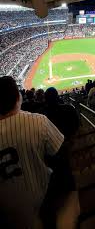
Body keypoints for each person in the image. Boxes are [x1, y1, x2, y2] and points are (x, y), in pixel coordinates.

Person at [0, 76, 64, 229]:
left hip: (6, 213)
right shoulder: (38, 121)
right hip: (43, 200)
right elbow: (60, 157)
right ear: (17, 97)